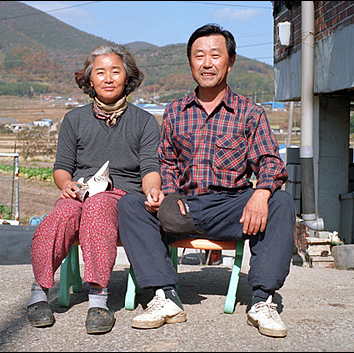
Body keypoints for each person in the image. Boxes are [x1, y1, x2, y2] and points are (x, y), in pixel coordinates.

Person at [117, 24, 295, 338]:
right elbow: (166, 162)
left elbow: (270, 162)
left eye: (215, 55)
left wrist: (261, 193)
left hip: (233, 208)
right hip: (184, 207)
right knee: (131, 203)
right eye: (199, 56)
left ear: (231, 61)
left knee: (279, 200)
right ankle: (163, 296)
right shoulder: (175, 111)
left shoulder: (249, 113)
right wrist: (164, 194)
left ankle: (262, 301)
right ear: (190, 63)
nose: (207, 63)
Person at [27, 43, 162, 334]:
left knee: (99, 207)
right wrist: (67, 185)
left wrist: (153, 190)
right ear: (90, 80)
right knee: (60, 215)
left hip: (121, 196)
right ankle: (39, 291)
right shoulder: (74, 120)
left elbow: (150, 168)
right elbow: (61, 166)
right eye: (100, 72)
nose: (109, 78)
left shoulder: (145, 122)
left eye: (116, 71)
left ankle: (98, 298)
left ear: (128, 78)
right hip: (81, 192)